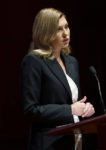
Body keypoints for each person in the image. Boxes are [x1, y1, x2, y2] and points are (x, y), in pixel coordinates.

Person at [20, 8, 95, 150]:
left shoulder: (72, 62)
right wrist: (70, 110)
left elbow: (73, 103)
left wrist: (85, 109)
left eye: (66, 27)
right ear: (45, 33)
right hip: (50, 143)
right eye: (58, 29)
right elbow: (31, 110)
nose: (66, 33)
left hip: (75, 140)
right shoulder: (34, 61)